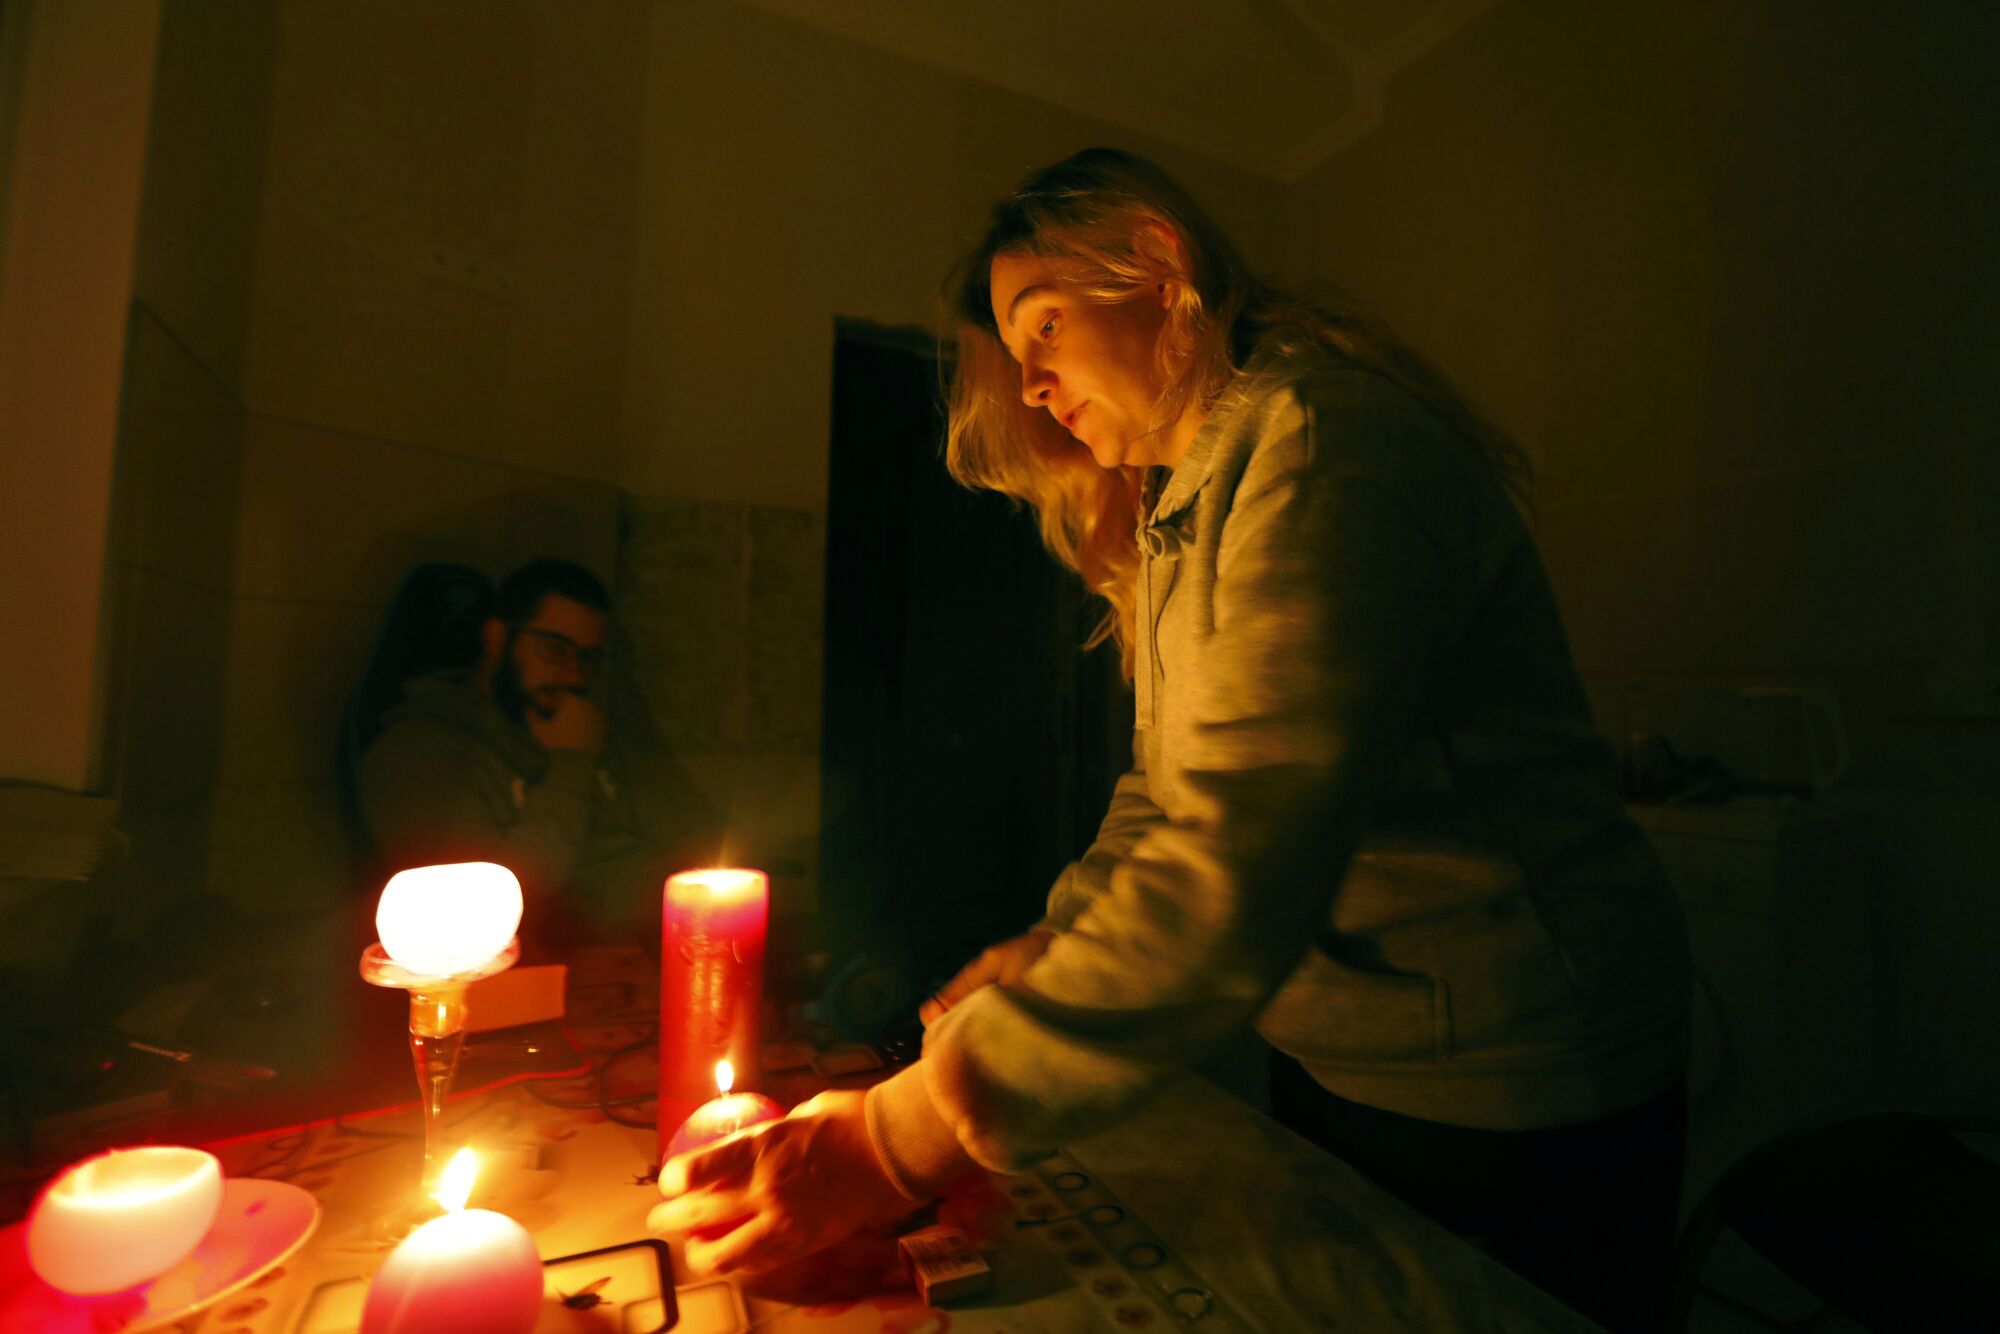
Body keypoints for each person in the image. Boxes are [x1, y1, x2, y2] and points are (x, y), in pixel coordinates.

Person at [649, 149, 1692, 1331]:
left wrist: (895, 1138)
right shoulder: (1180, 504)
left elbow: (1242, 848)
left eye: (1042, 325)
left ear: (1154, 264)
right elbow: (1166, 793)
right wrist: (1056, 935)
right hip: (1355, 1055)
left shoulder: (1320, 439)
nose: (1031, 385)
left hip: (1521, 1072)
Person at [358, 557, 719, 943]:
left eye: (588, 657)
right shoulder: (419, 751)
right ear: (497, 638)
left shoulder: (584, 722)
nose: (574, 675)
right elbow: (489, 910)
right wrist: (573, 764)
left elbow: (690, 828)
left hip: (676, 937)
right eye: (555, 649)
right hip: (560, 965)